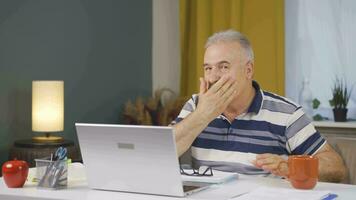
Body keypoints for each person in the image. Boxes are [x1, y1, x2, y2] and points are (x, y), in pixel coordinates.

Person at [171, 29, 346, 182]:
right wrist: (203, 114)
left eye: (223, 67)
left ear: (248, 70)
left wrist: (290, 167)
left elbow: (336, 168)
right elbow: (161, 154)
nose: (212, 77)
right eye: (208, 68)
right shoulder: (196, 105)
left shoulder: (286, 113)